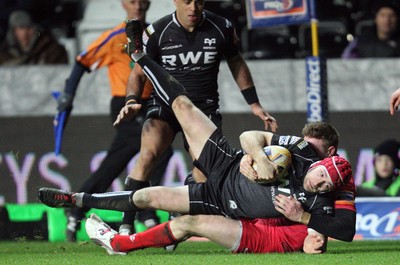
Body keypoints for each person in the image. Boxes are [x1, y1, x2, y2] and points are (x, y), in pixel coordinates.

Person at [38, 19, 356, 244]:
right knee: (183, 105)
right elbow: (249, 137)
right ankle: (139, 55)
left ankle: (77, 199)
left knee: (147, 196)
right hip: (227, 164)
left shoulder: (323, 201)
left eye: (325, 183)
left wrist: (302, 219)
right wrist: (258, 158)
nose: (319, 181)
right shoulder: (300, 150)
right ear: (320, 163)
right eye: (321, 174)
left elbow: (345, 229)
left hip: (219, 202)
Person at [117, 0, 278, 235]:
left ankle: (180, 217)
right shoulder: (157, 32)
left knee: (203, 175)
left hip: (204, 110)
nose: (193, 7)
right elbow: (138, 73)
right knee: (147, 156)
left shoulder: (222, 27)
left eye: (198, 1)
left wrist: (253, 103)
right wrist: (131, 101)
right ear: (175, 1)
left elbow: (236, 62)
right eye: (187, 1)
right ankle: (126, 223)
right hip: (165, 106)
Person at [55, 0, 172, 241]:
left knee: (122, 160)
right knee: (158, 152)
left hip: (150, 103)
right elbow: (82, 61)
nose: (138, 6)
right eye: (132, 1)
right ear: (123, 5)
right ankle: (144, 211)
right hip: (125, 105)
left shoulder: (154, 34)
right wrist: (68, 95)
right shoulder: (114, 36)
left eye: (142, 2)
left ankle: (78, 207)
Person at [84, 213, 325, 255]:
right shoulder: (304, 192)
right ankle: (169, 240)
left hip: (253, 238)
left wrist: (314, 240)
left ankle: (119, 243)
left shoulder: (319, 218)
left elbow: (313, 245)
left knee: (189, 223)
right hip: (248, 223)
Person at [0, 10, 68, 65]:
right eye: (21, 28)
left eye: (29, 28)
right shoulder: (3, 53)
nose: (25, 33)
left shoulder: (52, 50)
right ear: (13, 31)